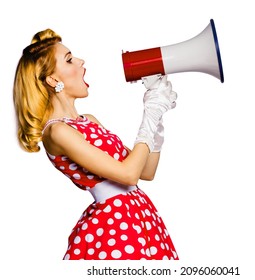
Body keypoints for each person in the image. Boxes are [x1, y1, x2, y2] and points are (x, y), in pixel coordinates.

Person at [13, 28, 178, 260]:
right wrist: (149, 114)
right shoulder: (57, 131)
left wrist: (157, 117)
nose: (81, 61)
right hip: (115, 225)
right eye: (69, 59)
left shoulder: (88, 121)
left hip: (140, 216)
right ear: (53, 79)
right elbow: (128, 174)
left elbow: (146, 171)